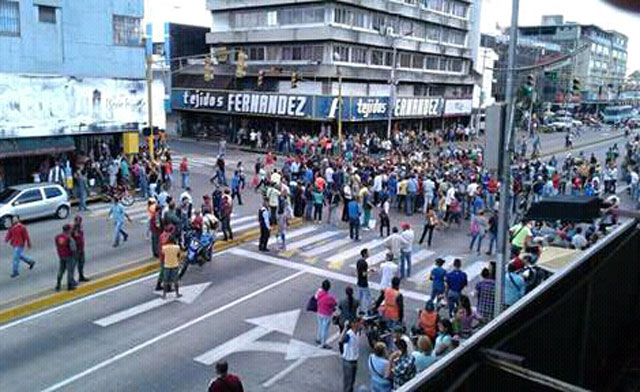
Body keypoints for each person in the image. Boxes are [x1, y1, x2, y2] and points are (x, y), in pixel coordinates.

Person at [340, 319, 361, 392]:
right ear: (353, 324)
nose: (360, 324)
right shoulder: (349, 334)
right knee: (348, 383)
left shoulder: (358, 333)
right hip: (348, 361)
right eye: (358, 323)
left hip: (354, 360)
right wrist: (345, 328)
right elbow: (341, 340)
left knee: (352, 381)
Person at [55, 224, 77, 291]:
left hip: (61, 256)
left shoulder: (57, 237)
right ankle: (70, 285)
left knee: (61, 270)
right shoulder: (69, 238)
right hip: (69, 256)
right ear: (68, 230)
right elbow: (73, 249)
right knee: (70, 271)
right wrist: (74, 256)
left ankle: (58, 284)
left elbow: (57, 245)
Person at [315, 279, 337, 349]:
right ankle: (323, 343)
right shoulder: (329, 297)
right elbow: (334, 303)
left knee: (320, 326)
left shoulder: (319, 293)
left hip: (319, 311)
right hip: (326, 314)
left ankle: (318, 338)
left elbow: (315, 297)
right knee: (325, 329)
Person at [161, 234, 182, 299]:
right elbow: (178, 255)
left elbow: (163, 255)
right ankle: (177, 294)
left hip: (167, 265)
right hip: (175, 265)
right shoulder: (177, 247)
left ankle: (164, 295)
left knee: (165, 281)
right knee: (175, 281)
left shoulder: (164, 247)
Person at [72, 216, 89, 282]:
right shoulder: (73, 230)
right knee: (73, 266)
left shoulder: (80, 229)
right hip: (76, 250)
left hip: (81, 249)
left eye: (80, 221)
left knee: (81, 264)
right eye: (78, 221)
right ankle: (71, 279)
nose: (79, 223)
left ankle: (81, 276)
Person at [356, 248, 372, 312]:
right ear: (365, 254)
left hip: (359, 282)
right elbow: (364, 274)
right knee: (368, 297)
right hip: (364, 283)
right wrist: (370, 272)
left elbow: (358, 271)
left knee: (360, 297)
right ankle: (368, 310)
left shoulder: (358, 261)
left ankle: (359, 310)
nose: (368, 254)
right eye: (367, 253)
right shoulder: (364, 263)